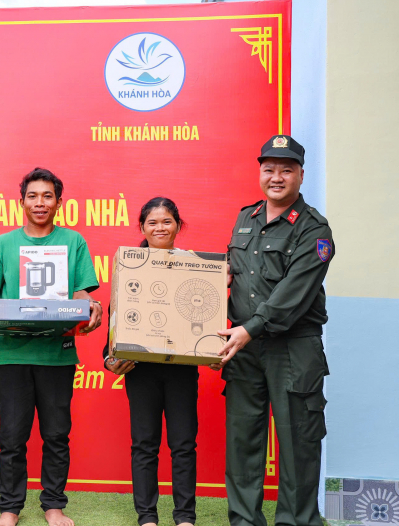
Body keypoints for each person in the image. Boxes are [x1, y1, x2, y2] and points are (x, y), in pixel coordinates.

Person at [0, 168, 102, 526]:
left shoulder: (73, 242)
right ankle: (10, 509)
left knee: (56, 435)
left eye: (47, 196)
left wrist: (89, 307)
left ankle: (54, 506)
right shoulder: (3, 245)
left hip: (57, 356)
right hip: (12, 354)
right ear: (21, 201)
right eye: (33, 196)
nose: (40, 202)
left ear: (59, 202)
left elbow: (81, 294)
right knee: (12, 436)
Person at [218, 135, 333, 526]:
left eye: (286, 169)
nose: (277, 177)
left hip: (293, 350)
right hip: (244, 350)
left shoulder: (314, 229)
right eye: (269, 169)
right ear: (260, 172)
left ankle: (296, 521)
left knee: (298, 444)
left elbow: (291, 296)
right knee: (242, 442)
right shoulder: (245, 218)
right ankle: (244, 520)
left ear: (301, 174)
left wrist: (248, 329)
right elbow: (229, 275)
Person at [103, 197, 198, 526]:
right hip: (140, 371)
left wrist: (213, 349)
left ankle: (185, 517)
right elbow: (114, 328)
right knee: (144, 444)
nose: (160, 227)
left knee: (184, 444)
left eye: (167, 221)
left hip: (182, 370)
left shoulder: (194, 265)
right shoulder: (128, 265)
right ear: (142, 227)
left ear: (178, 225)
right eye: (153, 222)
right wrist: (109, 360)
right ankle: (147, 517)